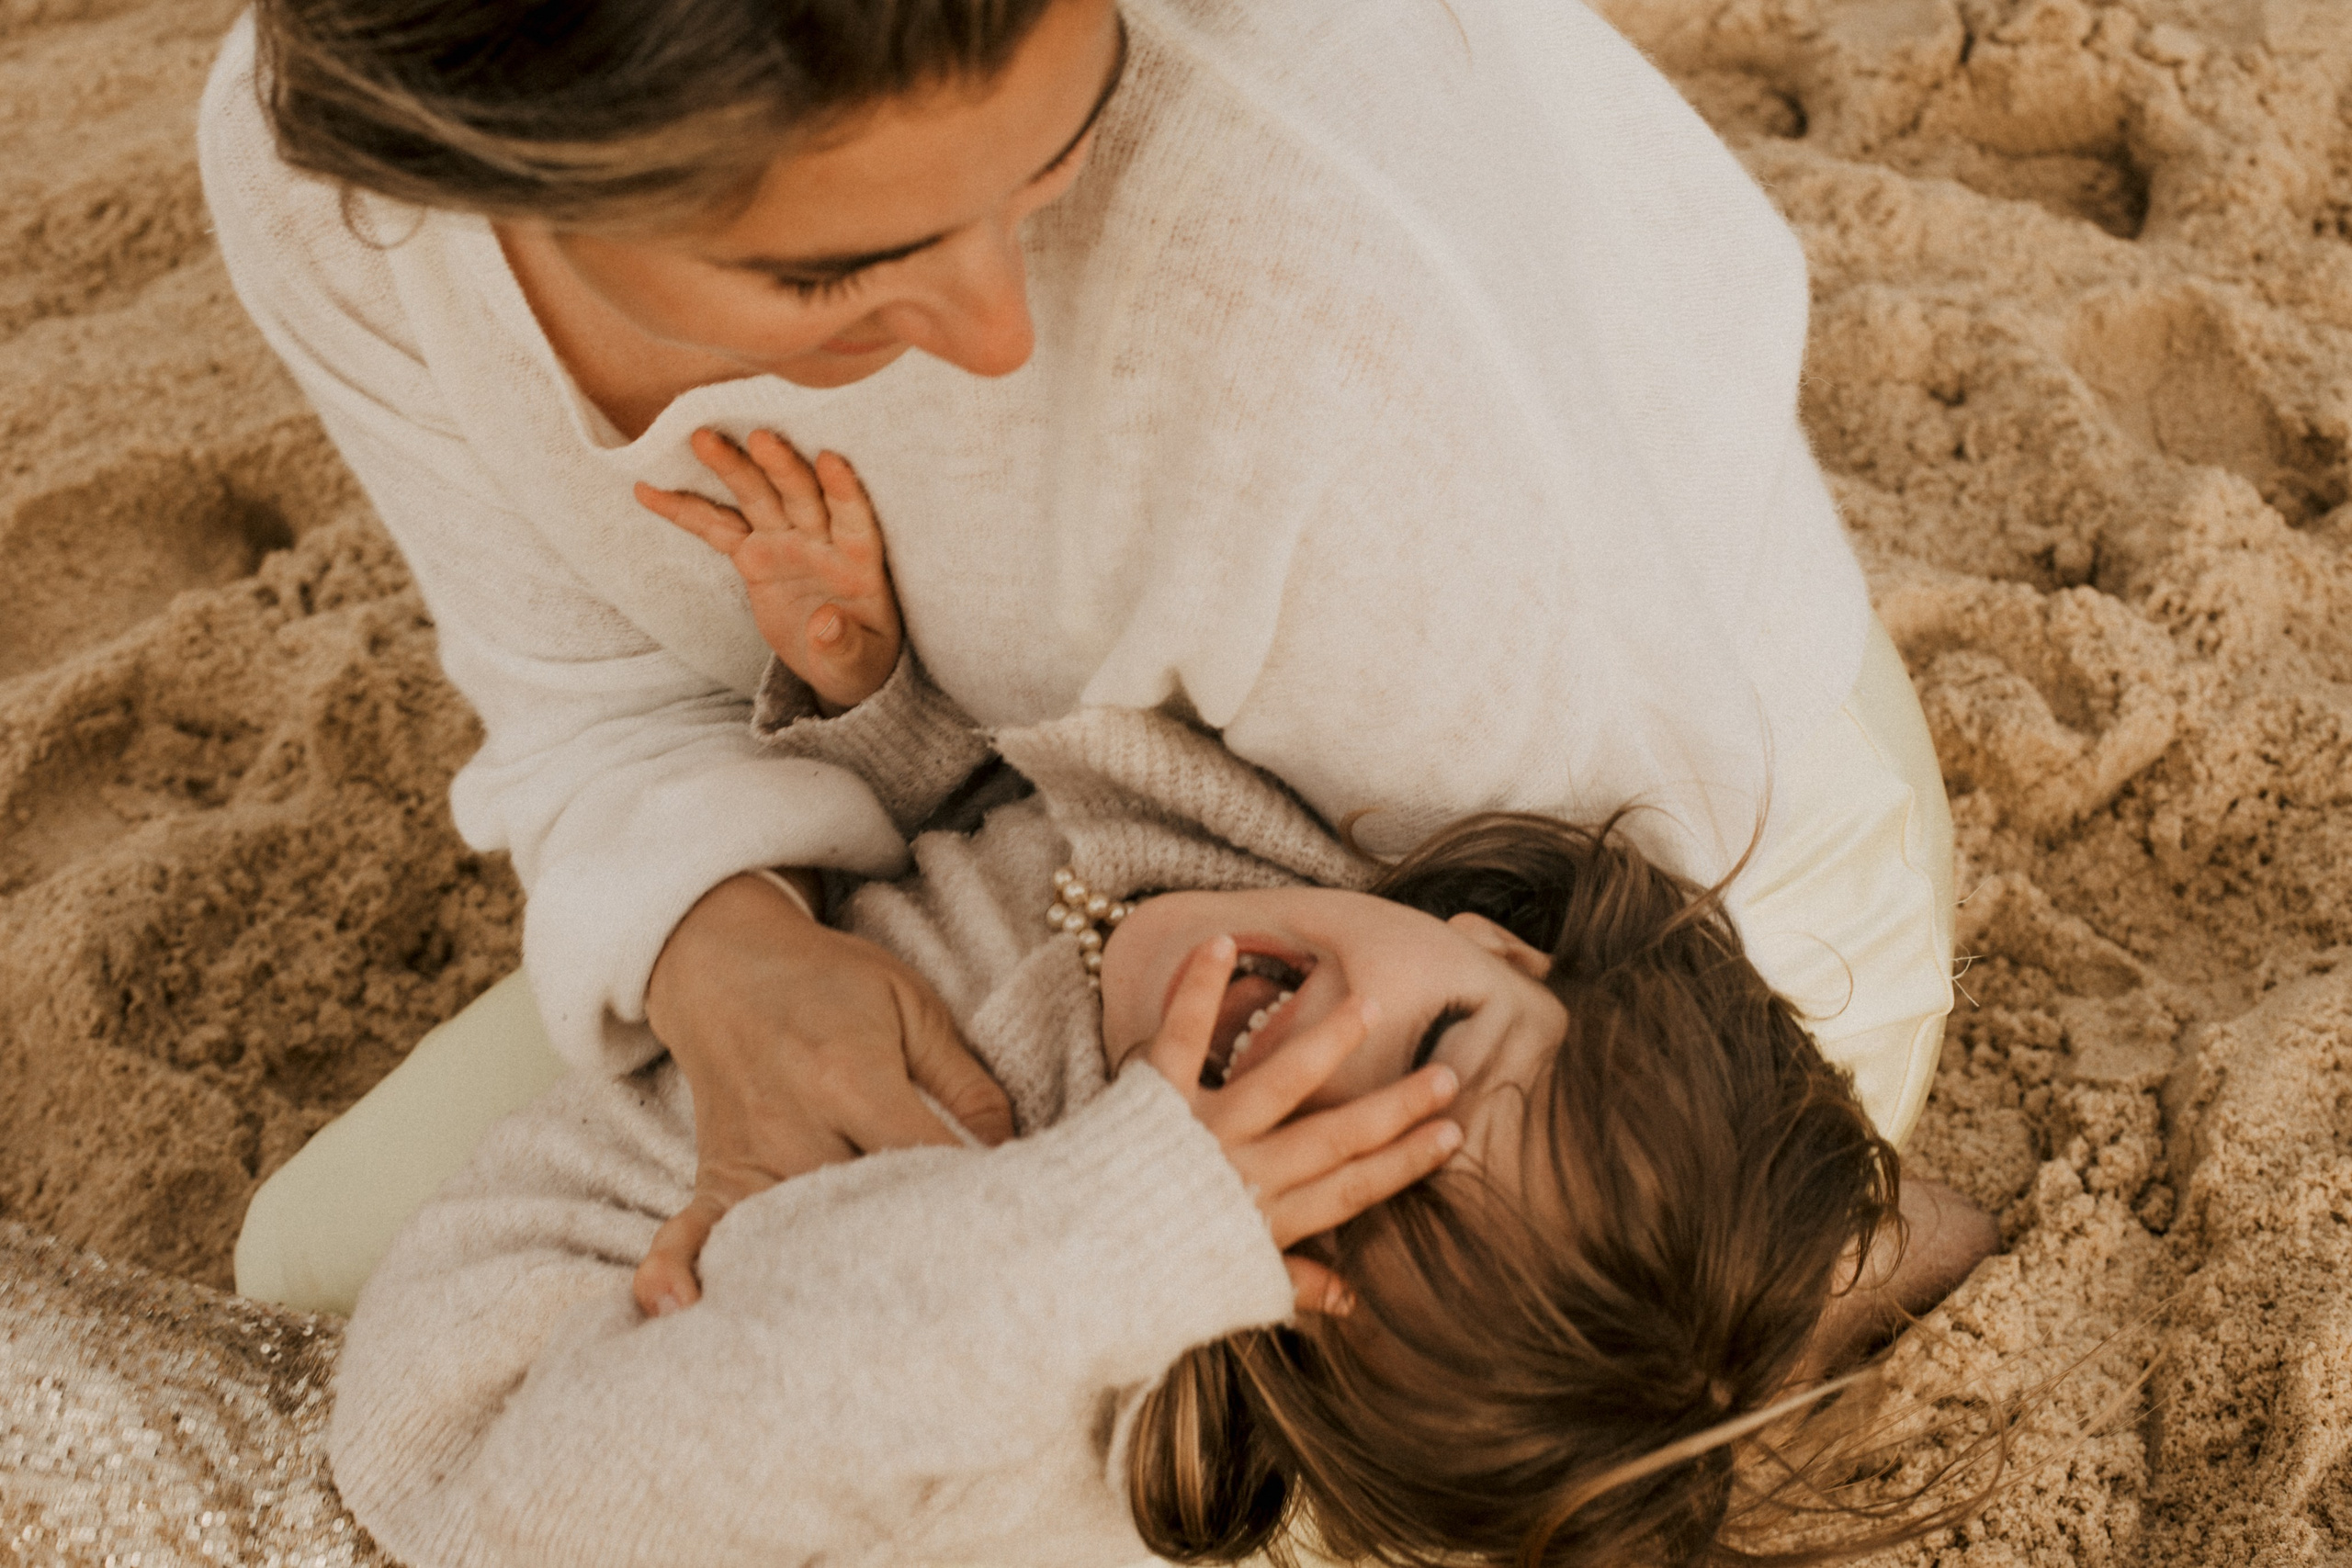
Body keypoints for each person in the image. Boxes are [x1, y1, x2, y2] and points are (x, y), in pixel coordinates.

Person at [203, 0, 1954, 1319]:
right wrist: (720, 953)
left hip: (1666, 930)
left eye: (1054, 154)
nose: (995, 337)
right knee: (320, 1281)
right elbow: (587, 698)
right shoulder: (334, 195)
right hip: (1010, 862)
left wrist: (1088, 1246)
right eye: (838, 270)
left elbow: (1595, 957)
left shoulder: (1316, 299)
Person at [329, 598, 1996, 1567]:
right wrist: (866, 709)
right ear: (1502, 945)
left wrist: (1111, 1239)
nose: (1306, 1075)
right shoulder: (1262, 842)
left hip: (511, 1366)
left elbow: (463, 1497)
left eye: (1315, 1198)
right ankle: (1831, 1263)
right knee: (1671, 1284)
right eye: (1432, 1051)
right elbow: (977, 815)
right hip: (757, 964)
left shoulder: (1073, 1448)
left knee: (294, 1250)